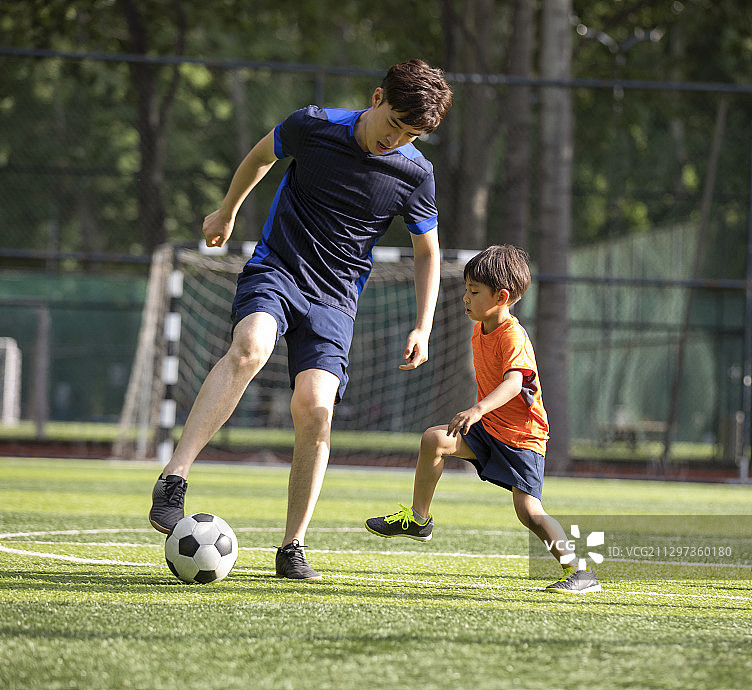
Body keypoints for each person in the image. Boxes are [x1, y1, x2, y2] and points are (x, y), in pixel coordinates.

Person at [149, 59, 453, 580]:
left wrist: (422, 325)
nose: (396, 140)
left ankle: (293, 547)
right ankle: (173, 479)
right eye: (394, 124)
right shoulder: (313, 125)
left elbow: (428, 252)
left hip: (335, 300)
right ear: (377, 98)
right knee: (251, 347)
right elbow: (260, 157)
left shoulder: (414, 172)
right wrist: (228, 210)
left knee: (315, 410)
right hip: (278, 268)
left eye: (411, 133)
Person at [365, 245, 601, 593]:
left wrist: (476, 410)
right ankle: (418, 521)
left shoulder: (513, 336)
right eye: (466, 289)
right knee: (434, 440)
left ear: (502, 296)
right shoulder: (480, 327)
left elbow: (514, 383)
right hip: (491, 431)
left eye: (474, 292)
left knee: (530, 514)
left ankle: (580, 572)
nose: (466, 297)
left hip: (522, 439)